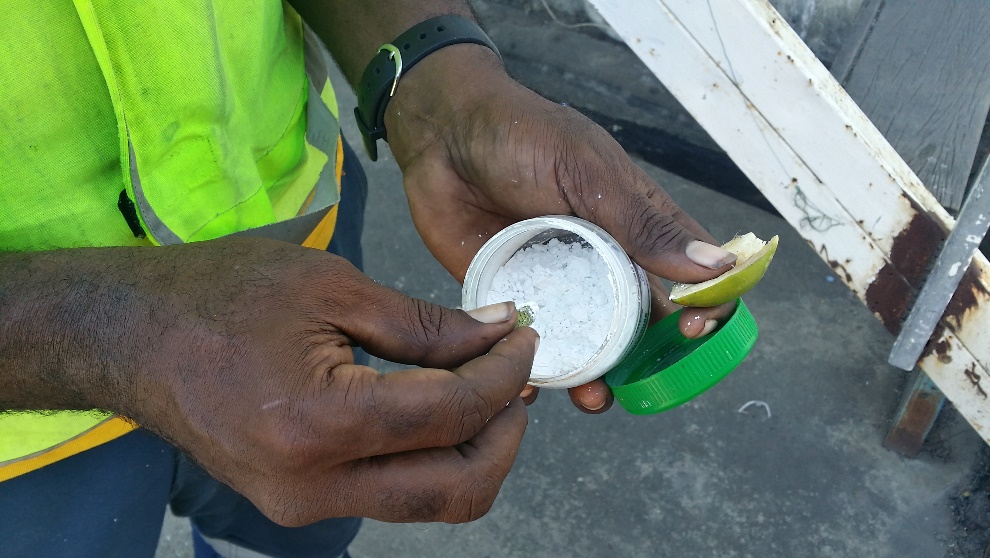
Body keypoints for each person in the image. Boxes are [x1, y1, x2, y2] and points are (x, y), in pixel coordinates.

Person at [0, 1, 737, 556]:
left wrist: (440, 83)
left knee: (296, 532)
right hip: (23, 447)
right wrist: (107, 335)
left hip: (299, 246)